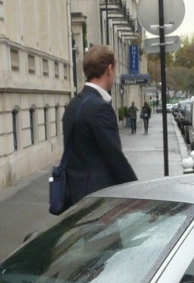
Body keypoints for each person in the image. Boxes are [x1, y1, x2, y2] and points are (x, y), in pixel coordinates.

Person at [59, 45, 138, 210]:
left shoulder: (74, 104)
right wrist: (139, 192)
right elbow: (115, 158)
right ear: (109, 69)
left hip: (73, 196)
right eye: (114, 70)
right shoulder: (100, 108)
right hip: (99, 202)